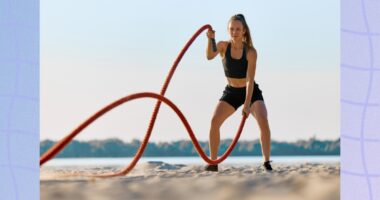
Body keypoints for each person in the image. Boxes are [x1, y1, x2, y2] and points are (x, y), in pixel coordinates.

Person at [205, 14, 272, 172]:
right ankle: (213, 162)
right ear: (228, 30)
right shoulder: (222, 46)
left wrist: (248, 104)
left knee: (263, 119)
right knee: (214, 121)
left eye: (238, 29)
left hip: (250, 91)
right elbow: (209, 56)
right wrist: (211, 39)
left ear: (244, 31)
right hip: (232, 91)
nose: (234, 32)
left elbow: (249, 80)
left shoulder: (251, 52)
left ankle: (266, 161)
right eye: (231, 29)